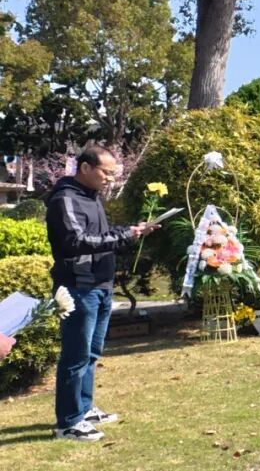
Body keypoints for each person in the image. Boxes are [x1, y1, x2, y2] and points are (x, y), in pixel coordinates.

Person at [45, 145, 157, 442]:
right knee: (76, 355)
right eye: (106, 172)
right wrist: (124, 236)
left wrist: (131, 231)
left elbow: (99, 236)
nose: (111, 179)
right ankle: (68, 423)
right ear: (85, 168)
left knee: (91, 353)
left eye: (113, 173)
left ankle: (83, 409)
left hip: (101, 285)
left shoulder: (92, 197)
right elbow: (76, 241)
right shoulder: (64, 199)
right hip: (78, 287)